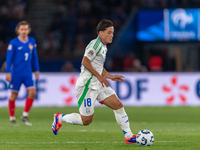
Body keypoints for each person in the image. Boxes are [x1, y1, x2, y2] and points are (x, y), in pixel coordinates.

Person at [52, 19, 136, 144]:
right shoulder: (95, 45)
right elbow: (85, 62)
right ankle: (60, 118)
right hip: (87, 85)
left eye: (112, 32)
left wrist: (109, 76)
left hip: (98, 83)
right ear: (101, 33)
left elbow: (97, 66)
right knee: (86, 121)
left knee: (118, 105)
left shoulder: (103, 46)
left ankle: (128, 136)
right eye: (109, 32)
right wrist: (100, 76)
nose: (112, 35)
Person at [5, 21, 40, 126]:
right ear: (18, 31)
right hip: (16, 73)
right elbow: (9, 58)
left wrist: (37, 70)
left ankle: (24, 115)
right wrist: (7, 72)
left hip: (28, 73)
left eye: (25, 29)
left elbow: (34, 57)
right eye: (22, 29)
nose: (24, 31)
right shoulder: (13, 42)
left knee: (33, 92)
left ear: (28, 30)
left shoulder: (32, 41)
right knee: (14, 96)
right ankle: (12, 118)